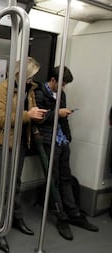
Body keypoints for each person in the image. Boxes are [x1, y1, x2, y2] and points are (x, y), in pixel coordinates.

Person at [34, 66, 98, 240]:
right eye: (62, 84)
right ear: (53, 80)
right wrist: (58, 113)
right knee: (53, 181)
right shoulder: (38, 92)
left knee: (66, 178)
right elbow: (38, 117)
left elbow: (63, 119)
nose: (63, 88)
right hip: (48, 141)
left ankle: (73, 213)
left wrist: (68, 137)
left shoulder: (61, 95)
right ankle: (61, 216)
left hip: (62, 141)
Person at [0, 57, 47, 253]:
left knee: (16, 183)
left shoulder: (28, 89)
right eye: (30, 76)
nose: (32, 80)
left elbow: (28, 113)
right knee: (3, 184)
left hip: (22, 141)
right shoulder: (2, 90)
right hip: (4, 142)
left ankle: (16, 218)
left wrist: (37, 115)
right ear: (20, 74)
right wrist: (27, 115)